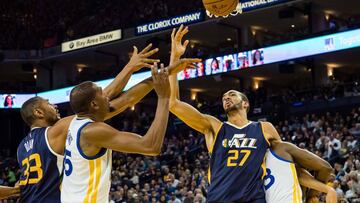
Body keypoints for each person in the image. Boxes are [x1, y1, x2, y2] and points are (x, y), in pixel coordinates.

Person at [16, 44, 161, 203]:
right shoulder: (57, 130)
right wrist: (130, 68)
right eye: (49, 103)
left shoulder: (21, 148)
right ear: (38, 112)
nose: (55, 106)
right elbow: (107, 101)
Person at [168, 26, 281, 202]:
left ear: (246, 103)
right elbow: (173, 104)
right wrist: (174, 60)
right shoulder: (215, 127)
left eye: (232, 95)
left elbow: (285, 159)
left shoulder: (264, 128)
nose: (226, 98)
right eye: (224, 97)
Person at [60, 63, 171, 203]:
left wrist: (168, 71)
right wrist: (164, 98)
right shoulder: (92, 131)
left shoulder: (76, 122)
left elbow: (127, 99)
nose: (107, 96)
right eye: (102, 93)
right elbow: (151, 146)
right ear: (94, 105)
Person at [265, 141, 337, 203]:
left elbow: (300, 175)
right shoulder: (279, 152)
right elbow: (326, 168)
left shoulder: (264, 159)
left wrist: (327, 190)